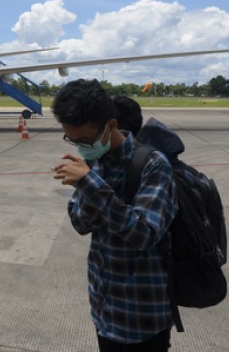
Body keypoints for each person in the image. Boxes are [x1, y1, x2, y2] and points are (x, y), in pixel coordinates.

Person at [51, 79, 178, 351]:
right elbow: (80, 223)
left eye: (84, 140)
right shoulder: (94, 162)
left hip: (141, 316)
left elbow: (144, 234)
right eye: (71, 139)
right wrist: (88, 185)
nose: (79, 147)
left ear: (110, 125)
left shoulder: (153, 165)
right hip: (104, 308)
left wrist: (90, 185)